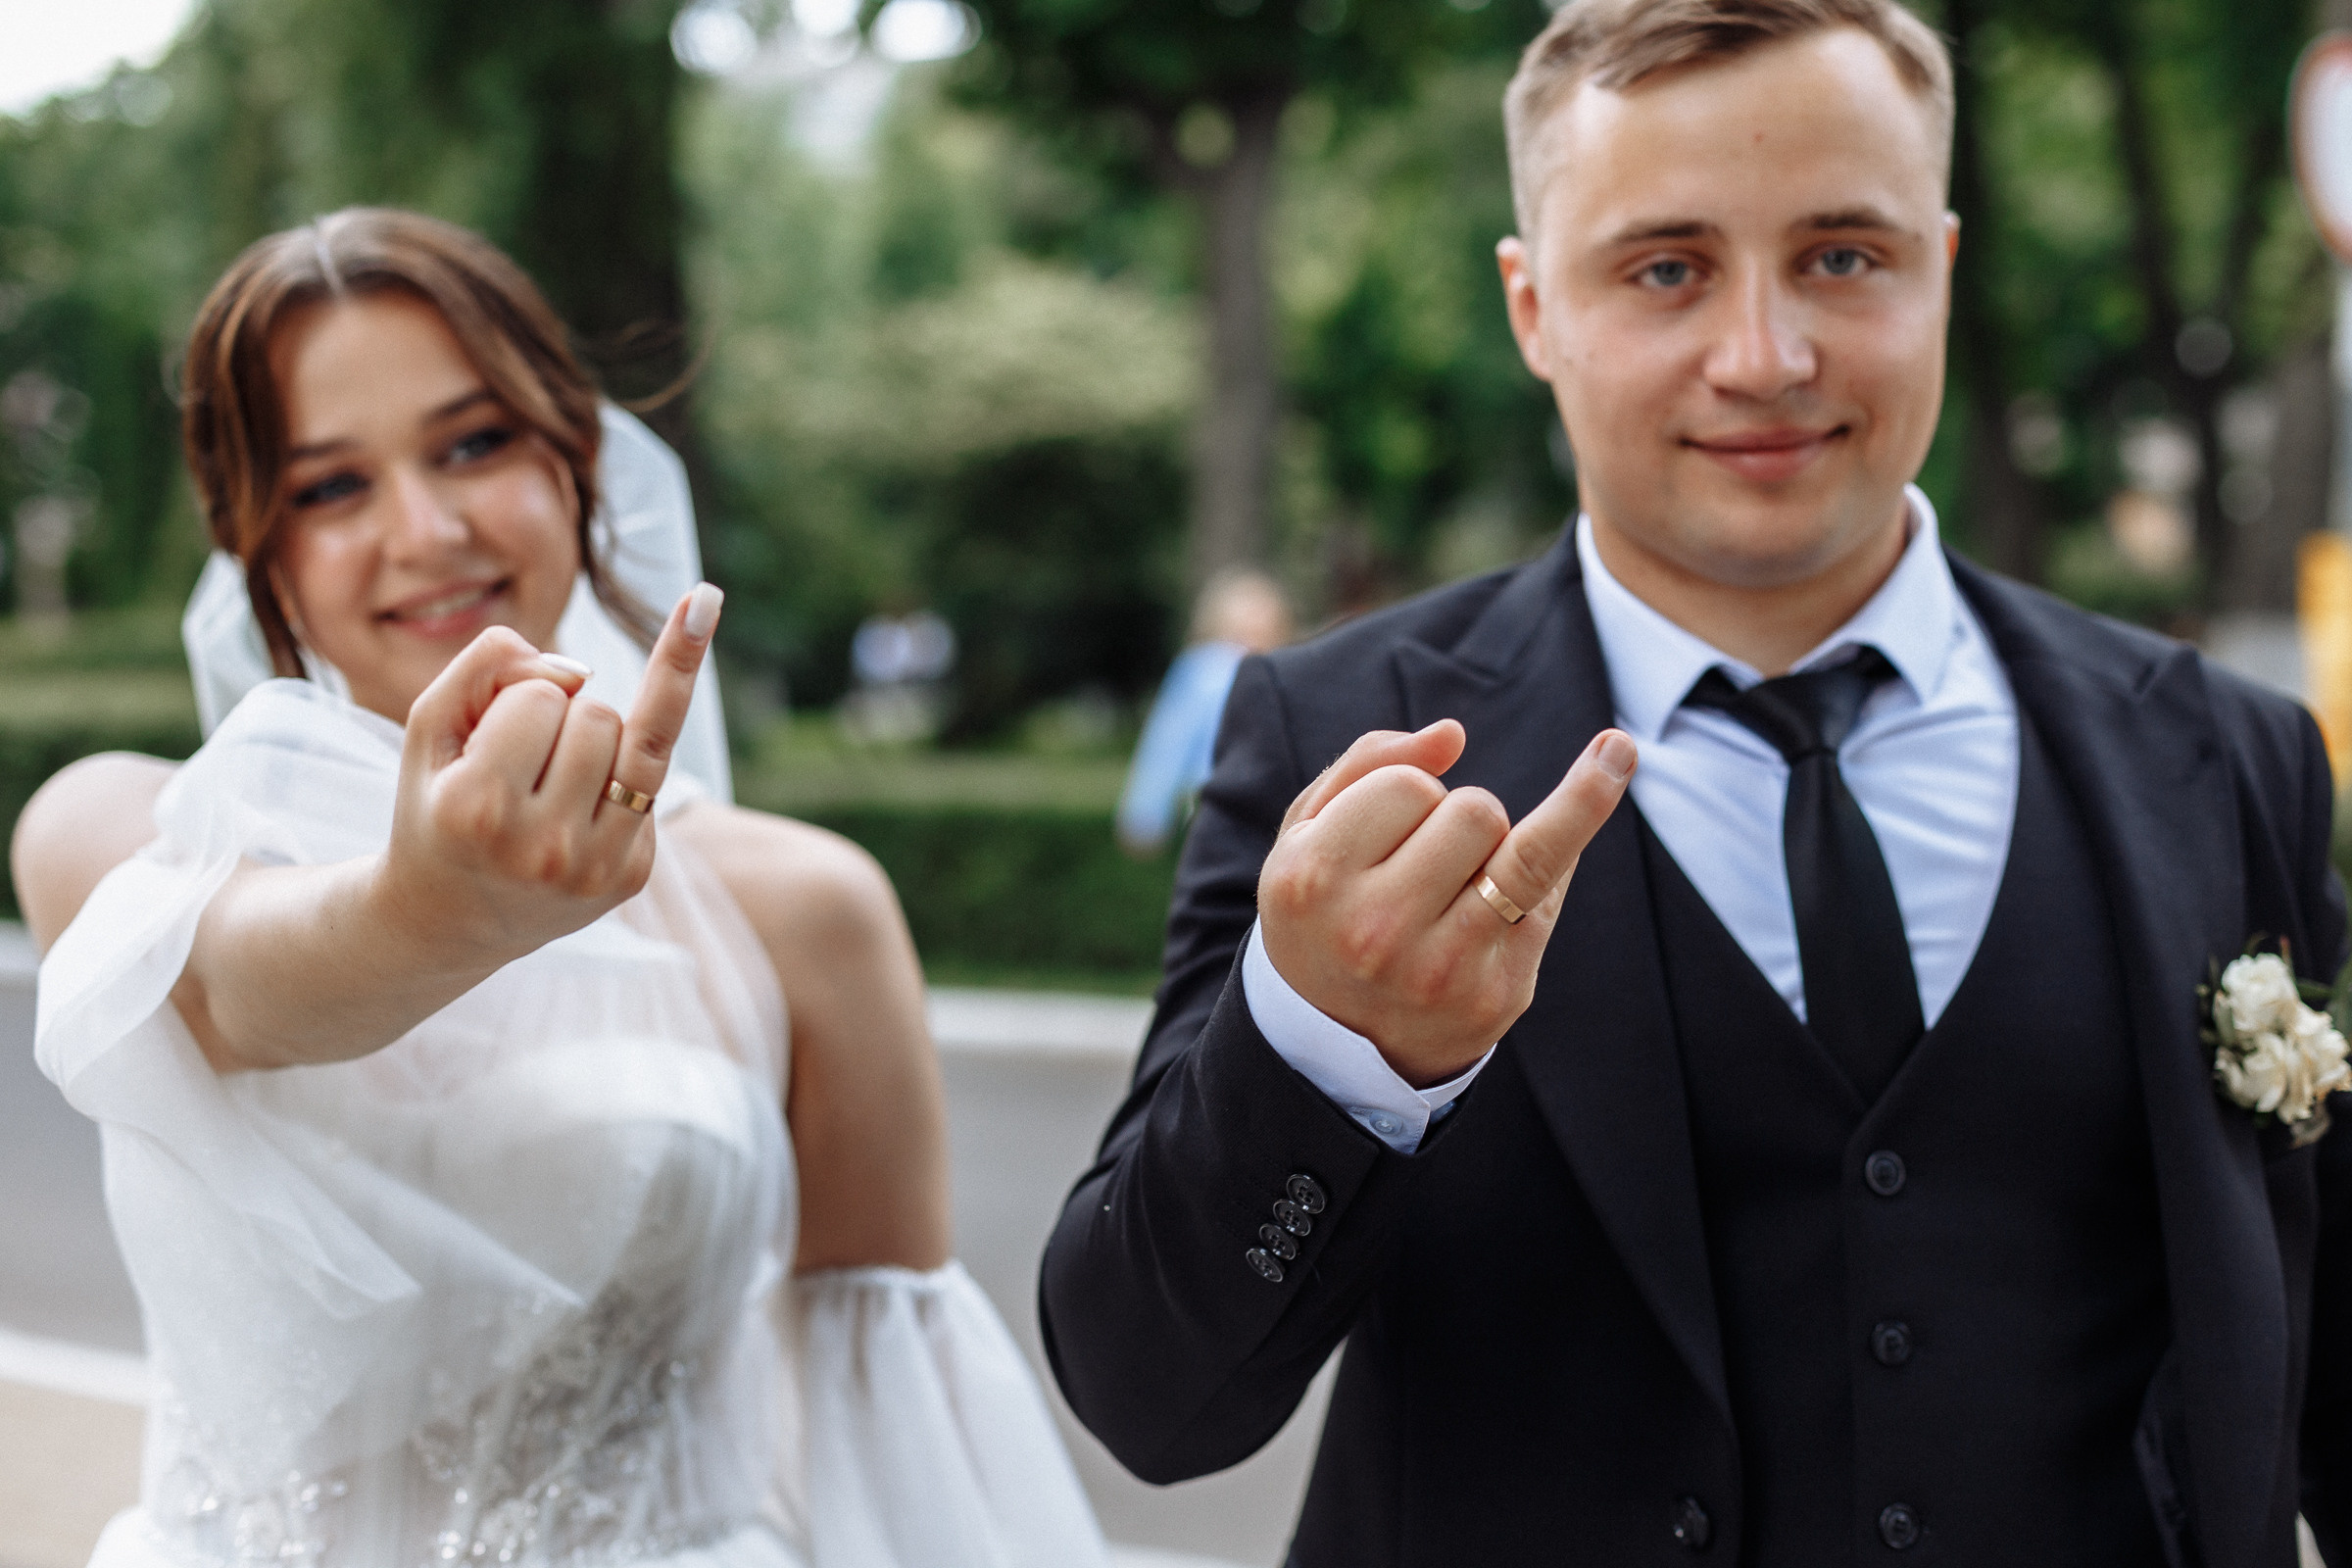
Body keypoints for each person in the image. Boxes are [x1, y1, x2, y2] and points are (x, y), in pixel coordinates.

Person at [1038, 3, 2352, 1564]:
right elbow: (1150, 1398)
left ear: (1941, 262)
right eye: (1666, 269)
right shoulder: (1340, 735)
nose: (1765, 357)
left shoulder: (2222, 752)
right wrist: (1330, 1057)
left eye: (1842, 258)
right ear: (1535, 307)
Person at [10, 208, 1105, 1568]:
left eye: (476, 444)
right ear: (257, 548)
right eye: (328, 487)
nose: (427, 527)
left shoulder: (807, 911)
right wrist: (430, 911)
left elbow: (893, 1447)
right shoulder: (121, 832)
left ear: (579, 460)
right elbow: (241, 988)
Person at [1115, 570, 1293, 857]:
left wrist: (1145, 816)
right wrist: (1146, 814)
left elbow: (1167, 741)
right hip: (1225, 809)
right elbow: (1169, 742)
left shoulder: (1278, 668)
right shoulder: (1205, 671)